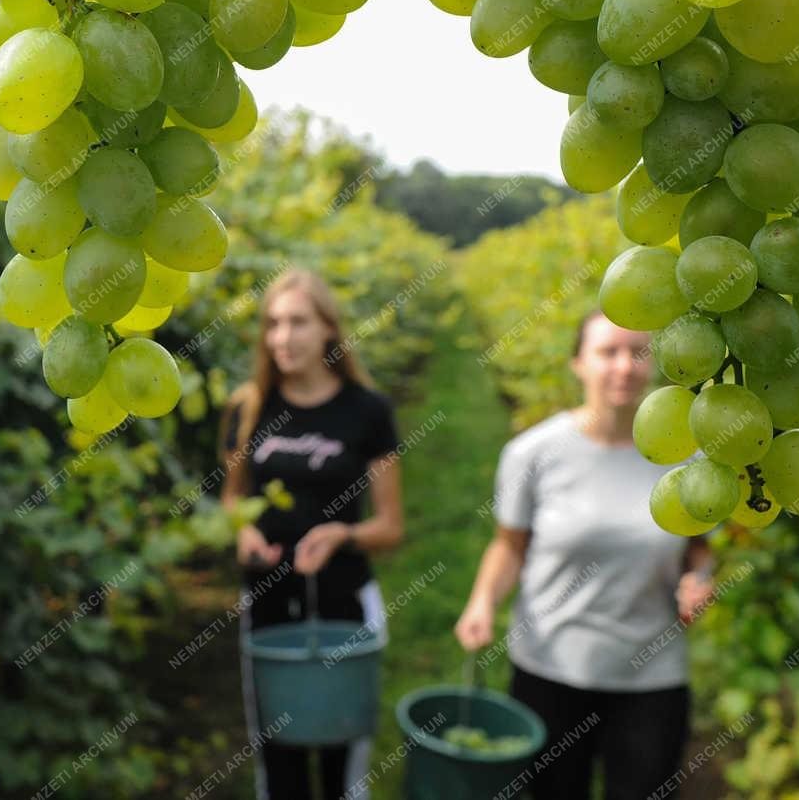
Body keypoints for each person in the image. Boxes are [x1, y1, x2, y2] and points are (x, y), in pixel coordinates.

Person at [455, 309, 715, 800]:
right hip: (550, 665)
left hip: (651, 675)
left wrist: (699, 579)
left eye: (638, 352)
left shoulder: (686, 457)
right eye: (607, 352)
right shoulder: (533, 453)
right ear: (578, 363)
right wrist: (482, 600)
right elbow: (510, 546)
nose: (624, 366)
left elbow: (698, 551)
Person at [220, 268, 405, 800]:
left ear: (329, 329)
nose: (283, 337)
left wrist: (339, 536)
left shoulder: (367, 411)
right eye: (273, 323)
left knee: (341, 754)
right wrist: (244, 531)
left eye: (298, 322)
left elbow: (390, 527)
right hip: (267, 606)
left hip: (345, 602)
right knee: (278, 756)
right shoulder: (249, 407)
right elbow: (233, 497)